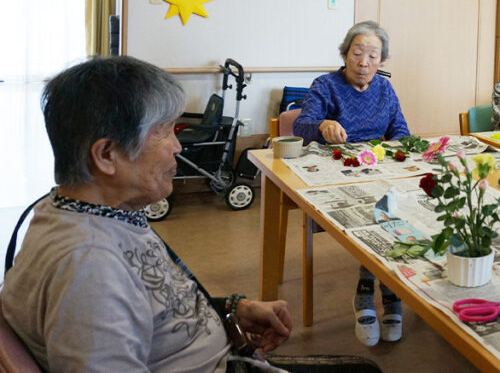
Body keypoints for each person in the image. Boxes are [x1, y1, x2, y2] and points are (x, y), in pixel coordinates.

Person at [1, 57, 295, 371]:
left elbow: (147, 305)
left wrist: (231, 309)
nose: (177, 147)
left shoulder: (75, 210)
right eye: (165, 131)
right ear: (107, 155)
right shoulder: (89, 265)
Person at [292, 21, 407, 347]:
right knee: (375, 211)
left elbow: (401, 132)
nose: (364, 61)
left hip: (376, 168)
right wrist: (323, 125)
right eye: (357, 53)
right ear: (345, 54)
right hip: (335, 172)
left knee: (397, 206)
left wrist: (395, 151)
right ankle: (369, 290)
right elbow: (301, 126)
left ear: (382, 60)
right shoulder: (326, 85)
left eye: (373, 55)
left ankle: (382, 287)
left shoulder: (385, 89)